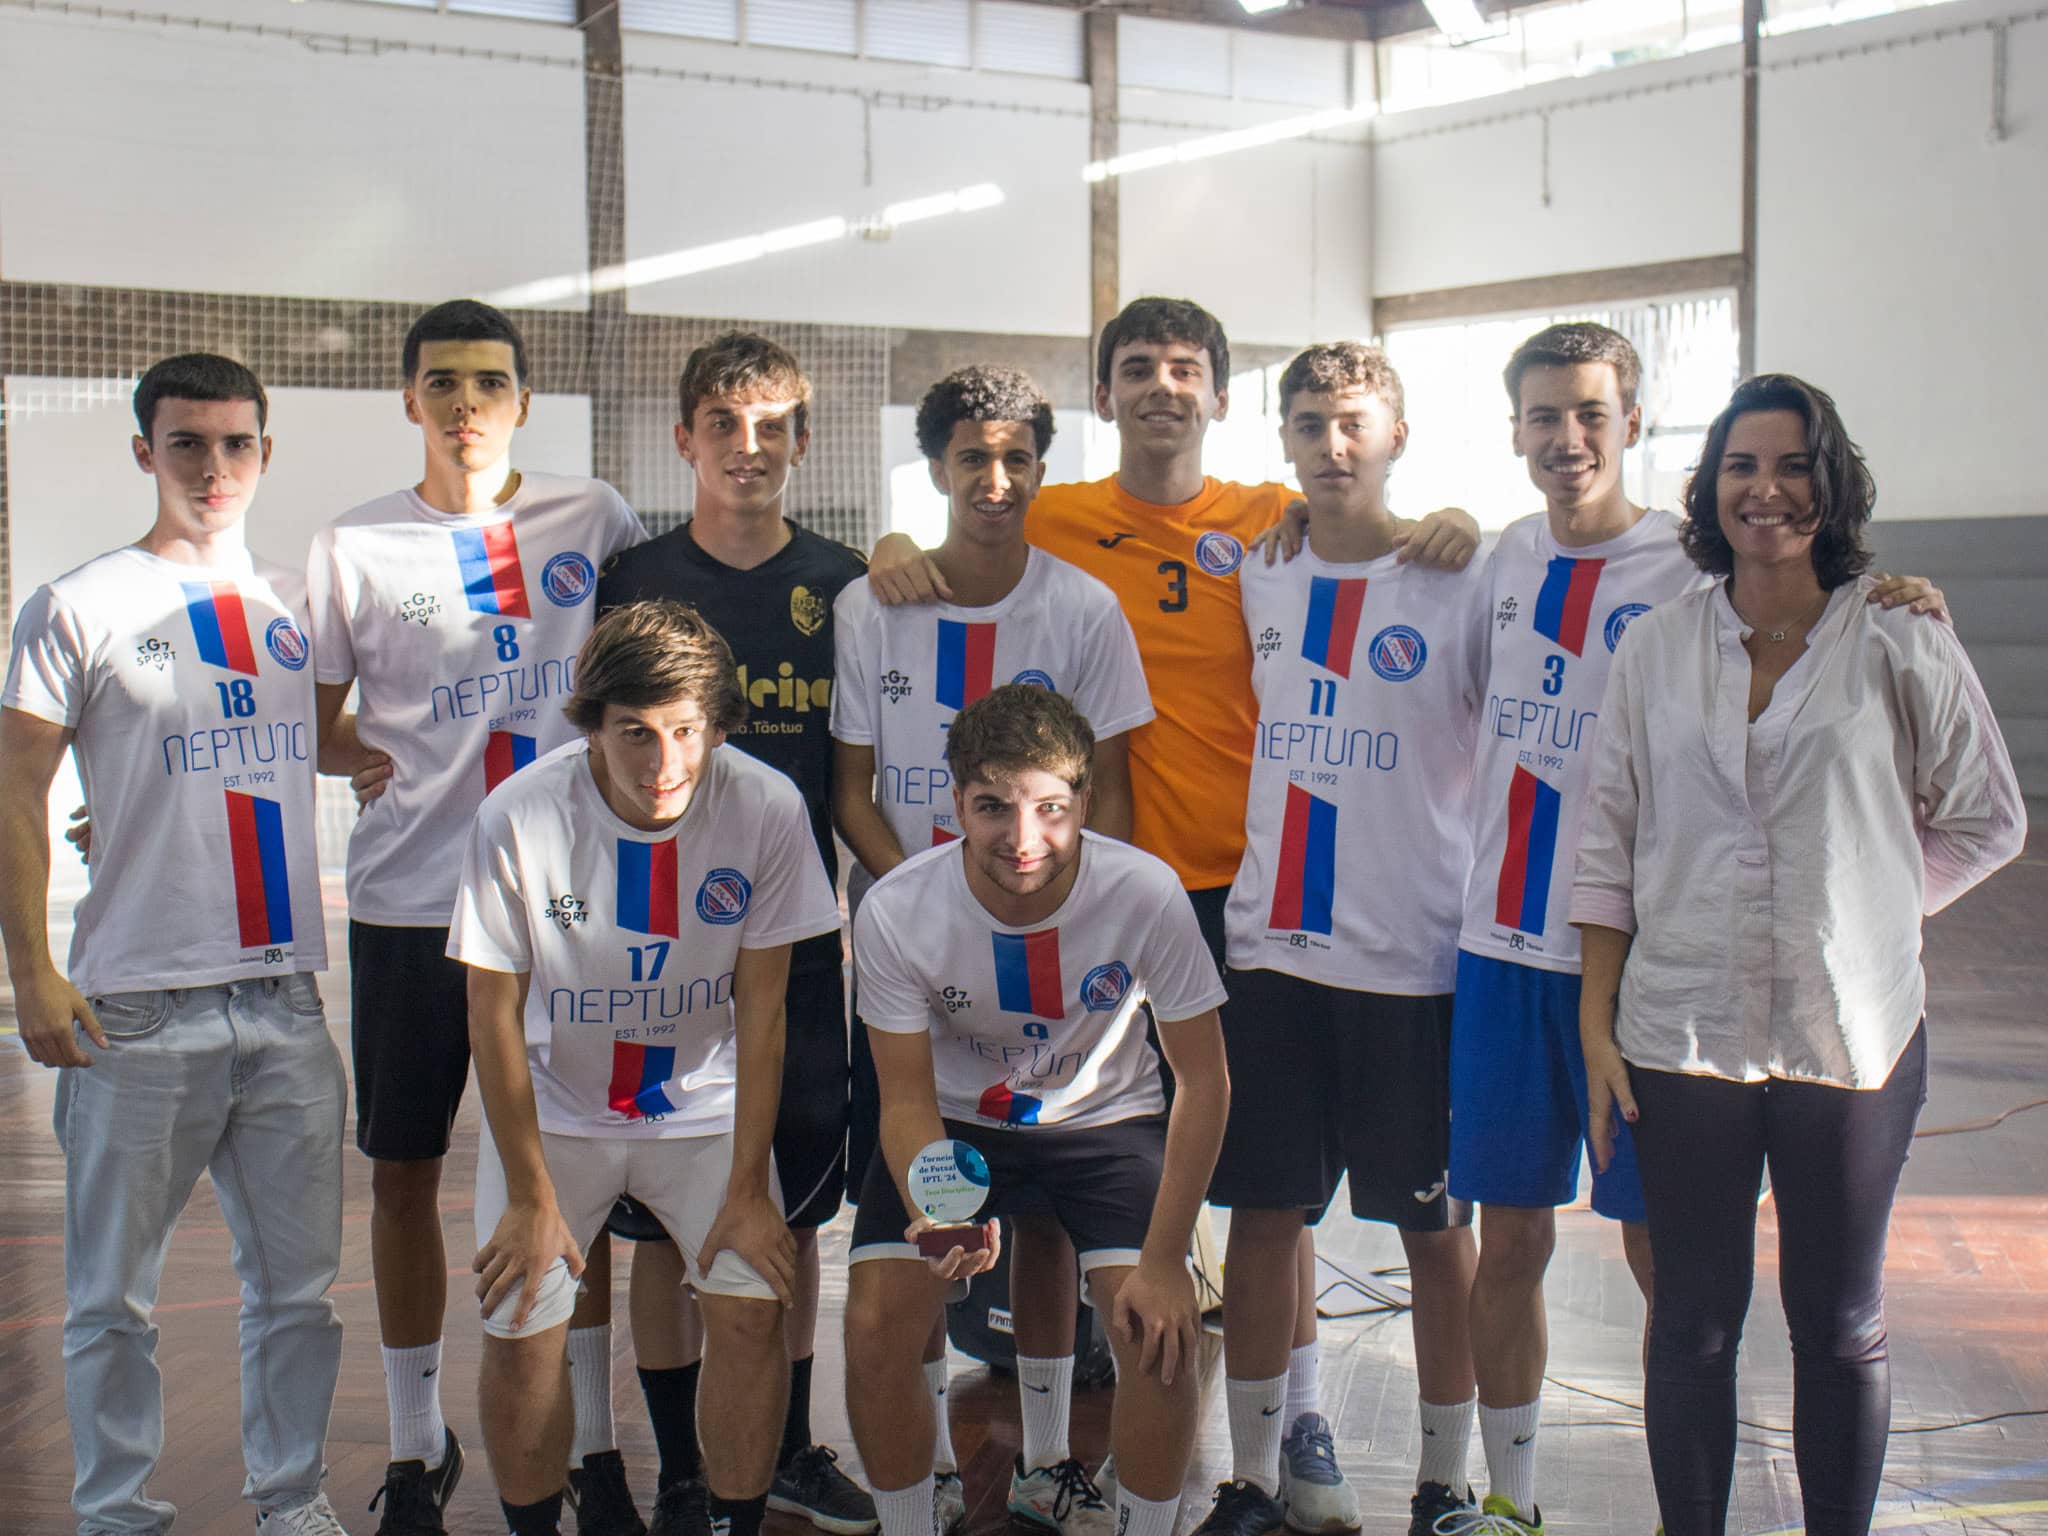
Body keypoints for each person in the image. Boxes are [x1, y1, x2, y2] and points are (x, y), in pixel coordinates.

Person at [870, 300, 1482, 1529]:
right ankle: (1072, 1435)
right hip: (1092, 891)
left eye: (1186, 368)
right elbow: (957, 527)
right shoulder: (1047, 511)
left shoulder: (1270, 518)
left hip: (1248, 895)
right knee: (1116, 1151)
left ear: (1217, 397)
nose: (1162, 384)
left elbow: (1378, 520)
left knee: (1266, 1182)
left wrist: (1450, 521)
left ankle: (1296, 1424)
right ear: (1103, 395)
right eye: (1137, 367)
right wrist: (887, 541)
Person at [1439, 325, 1949, 1534]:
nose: (1567, 438)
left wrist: (1851, 905)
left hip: (1668, 975)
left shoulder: (1699, 572)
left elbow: (1819, 606)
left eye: (1590, 414)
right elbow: (1462, 714)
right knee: (1509, 1244)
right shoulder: (1495, 562)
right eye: (1543, 415)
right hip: (1514, 953)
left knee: (1677, 1271)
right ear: (1512, 430)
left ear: (1632, 425)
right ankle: (1507, 1501)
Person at [1571, 373, 2024, 1536]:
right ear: (1708, 487)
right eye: (1740, 466)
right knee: (1689, 1324)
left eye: (1790, 466)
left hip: (1849, 1035)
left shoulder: (1897, 634)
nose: (1763, 490)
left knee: (1837, 1325)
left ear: (1830, 485)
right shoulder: (1655, 648)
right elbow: (1605, 844)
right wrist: (1594, 1026)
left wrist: (1865, 910)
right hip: (1681, 1032)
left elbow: (1987, 821)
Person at [306, 300, 646, 1532]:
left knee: (572, 1177)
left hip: (563, 908)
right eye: (441, 382)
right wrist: (374, 756)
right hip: (409, 902)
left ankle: (594, 1443)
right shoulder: (353, 545)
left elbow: (648, 669)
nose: (465, 404)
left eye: (488, 382)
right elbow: (317, 722)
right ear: (409, 399)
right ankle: (415, 1447)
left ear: (521, 401)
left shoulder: (592, 517)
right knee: (402, 1171)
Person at [0, 354, 351, 1534]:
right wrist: (32, 973)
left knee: (299, 1296)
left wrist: (376, 754)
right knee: (112, 1301)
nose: (213, 467)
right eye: (187, 443)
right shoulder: (79, 604)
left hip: (286, 1004)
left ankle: (291, 1501)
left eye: (236, 443)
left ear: (265, 454)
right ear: (145, 451)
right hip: (137, 1009)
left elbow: (317, 733)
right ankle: (116, 1516)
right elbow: (16, 792)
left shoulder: (296, 604)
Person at [833, 364, 1156, 1535]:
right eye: (972, 456)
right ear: (934, 468)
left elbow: (1110, 792)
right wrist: (918, 909)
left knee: (1050, 1218)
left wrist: (1061, 915)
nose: (995, 478)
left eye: (1017, 458)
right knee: (932, 1198)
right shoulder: (874, 605)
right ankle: (922, 1469)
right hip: (914, 961)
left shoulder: (1083, 610)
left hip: (1050, 948)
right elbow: (852, 788)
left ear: (1040, 469)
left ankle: (1047, 1462)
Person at [447, 599, 843, 1536]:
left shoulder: (766, 806)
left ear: (718, 727)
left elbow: (764, 1010)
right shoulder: (519, 814)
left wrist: (748, 1187)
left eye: (686, 731)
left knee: (751, 1308)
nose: (664, 763)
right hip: (556, 1117)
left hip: (702, 1114)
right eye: (635, 733)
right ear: (592, 725)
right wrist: (529, 1196)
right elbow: (491, 1014)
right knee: (521, 1321)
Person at [1202, 343, 1488, 1536]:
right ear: (1281, 440)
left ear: (1396, 436)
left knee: (1434, 1232)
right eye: (1309, 422)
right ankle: (1256, 1475)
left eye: (1353, 422)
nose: (1331, 443)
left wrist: (1459, 523)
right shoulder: (1261, 570)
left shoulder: (1461, 578)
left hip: (1410, 963)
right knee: (1264, 1218)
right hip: (1271, 954)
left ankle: (1444, 1483)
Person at [595, 331, 876, 1536]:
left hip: (797, 947)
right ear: (685, 439)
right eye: (723, 423)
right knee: (665, 1221)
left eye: (770, 427)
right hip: (659, 948)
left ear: (801, 442)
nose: (747, 448)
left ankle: (790, 1447)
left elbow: (859, 763)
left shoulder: (848, 584)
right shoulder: (634, 578)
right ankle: (679, 1468)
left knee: (790, 1211)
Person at [842, 684, 1230, 1536]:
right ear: (956, 804)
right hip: (957, 1125)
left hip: (1105, 1123)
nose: (1023, 840)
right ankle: (911, 1521)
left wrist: (1169, 1260)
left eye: (1050, 809)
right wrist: (940, 1209)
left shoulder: (1147, 892)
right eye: (993, 807)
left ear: (1085, 803)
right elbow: (903, 1097)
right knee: (873, 1327)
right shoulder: (898, 909)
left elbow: (1205, 1082)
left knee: (1161, 1337)